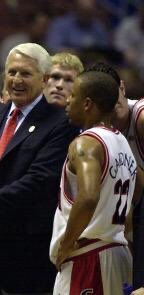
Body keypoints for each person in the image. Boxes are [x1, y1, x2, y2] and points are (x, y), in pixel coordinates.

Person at [0, 43, 79, 294]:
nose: (16, 80)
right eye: (12, 72)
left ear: (45, 79)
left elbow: (41, 179)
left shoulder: (61, 123)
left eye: (26, 74)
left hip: (27, 247)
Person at [50, 71, 142, 294]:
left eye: (73, 96)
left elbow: (89, 197)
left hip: (88, 257)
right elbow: (137, 192)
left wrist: (66, 244)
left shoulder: (86, 143)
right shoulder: (123, 143)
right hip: (119, 253)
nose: (68, 101)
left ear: (87, 104)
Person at [85, 63, 144, 294]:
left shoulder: (140, 117)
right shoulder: (99, 133)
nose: (111, 100)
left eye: (112, 91)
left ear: (122, 87)